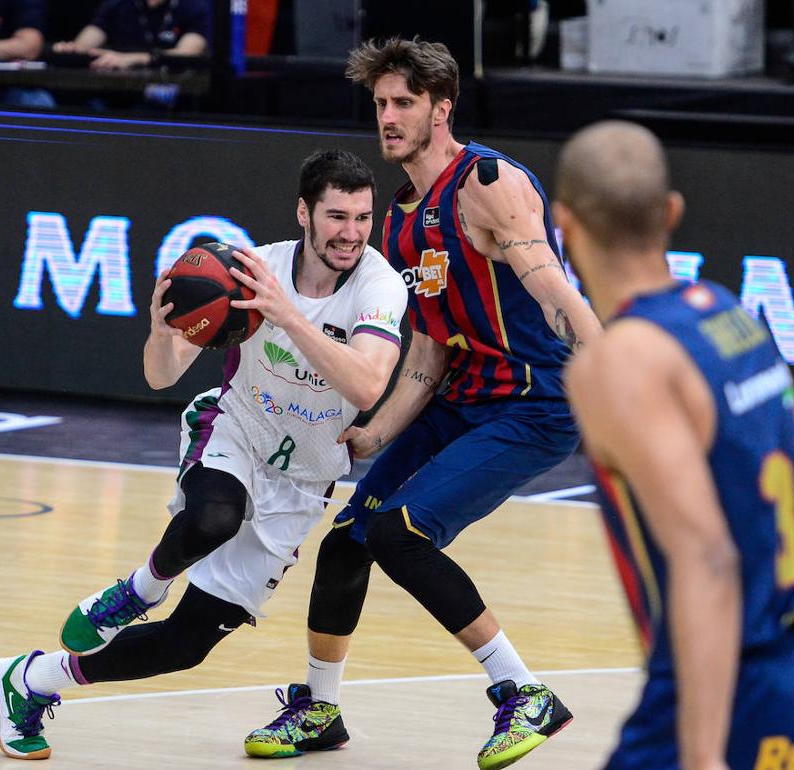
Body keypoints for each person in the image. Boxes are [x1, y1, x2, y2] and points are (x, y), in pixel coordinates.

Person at [243, 37, 600, 770]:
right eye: (381, 103)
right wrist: (372, 435)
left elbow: (552, 286)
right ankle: (320, 709)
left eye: (404, 102)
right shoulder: (402, 218)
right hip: (460, 398)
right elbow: (429, 354)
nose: (390, 116)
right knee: (349, 540)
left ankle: (523, 693)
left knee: (401, 536)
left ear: (442, 108)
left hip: (533, 402)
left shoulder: (487, 181)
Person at [0, 149, 407, 760]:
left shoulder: (379, 285)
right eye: (337, 216)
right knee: (215, 517)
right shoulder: (249, 270)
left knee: (186, 646)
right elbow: (162, 376)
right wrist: (162, 333)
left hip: (303, 481)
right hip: (234, 430)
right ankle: (142, 586)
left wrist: (286, 316)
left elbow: (368, 387)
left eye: (363, 218)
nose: (351, 233)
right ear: (304, 214)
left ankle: (28, 681)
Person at [555, 121, 794, 770]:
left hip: (730, 693)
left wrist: (702, 754)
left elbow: (707, 557)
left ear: (564, 226)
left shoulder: (619, 361)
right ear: (671, 212)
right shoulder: (731, 314)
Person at [52, 0, 210, 72]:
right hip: (119, 93)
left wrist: (132, 59)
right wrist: (73, 49)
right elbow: (91, 37)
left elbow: (188, 53)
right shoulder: (117, 4)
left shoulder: (194, 6)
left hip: (173, 92)